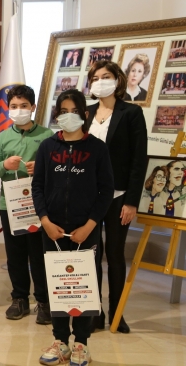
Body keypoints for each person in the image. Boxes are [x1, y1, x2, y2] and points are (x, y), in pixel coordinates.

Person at [32, 89, 114, 366]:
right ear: (57, 115)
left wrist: (90, 225)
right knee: (58, 283)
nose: (69, 116)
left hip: (85, 230)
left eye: (75, 111)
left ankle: (81, 342)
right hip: (52, 229)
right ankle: (60, 341)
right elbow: (37, 187)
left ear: (85, 114)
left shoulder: (97, 149)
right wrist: (45, 221)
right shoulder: (47, 147)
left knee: (83, 284)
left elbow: (106, 191)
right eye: (64, 111)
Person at [85, 60, 148, 334]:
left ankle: (116, 312)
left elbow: (138, 160)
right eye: (95, 78)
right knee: (92, 253)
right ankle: (95, 312)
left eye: (106, 76)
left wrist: (132, 201)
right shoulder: (85, 113)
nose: (100, 81)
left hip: (119, 195)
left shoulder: (131, 113)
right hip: (89, 196)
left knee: (114, 253)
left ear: (117, 79)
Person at [0, 85, 54, 324]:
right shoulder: (2, 137)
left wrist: (42, 168)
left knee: (39, 254)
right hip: (11, 204)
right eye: (14, 106)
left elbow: (56, 169)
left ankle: (43, 301)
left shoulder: (47, 136)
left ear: (33, 107)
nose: (19, 110)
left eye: (24, 106)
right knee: (15, 255)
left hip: (38, 205)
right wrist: (5, 165)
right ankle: (19, 299)